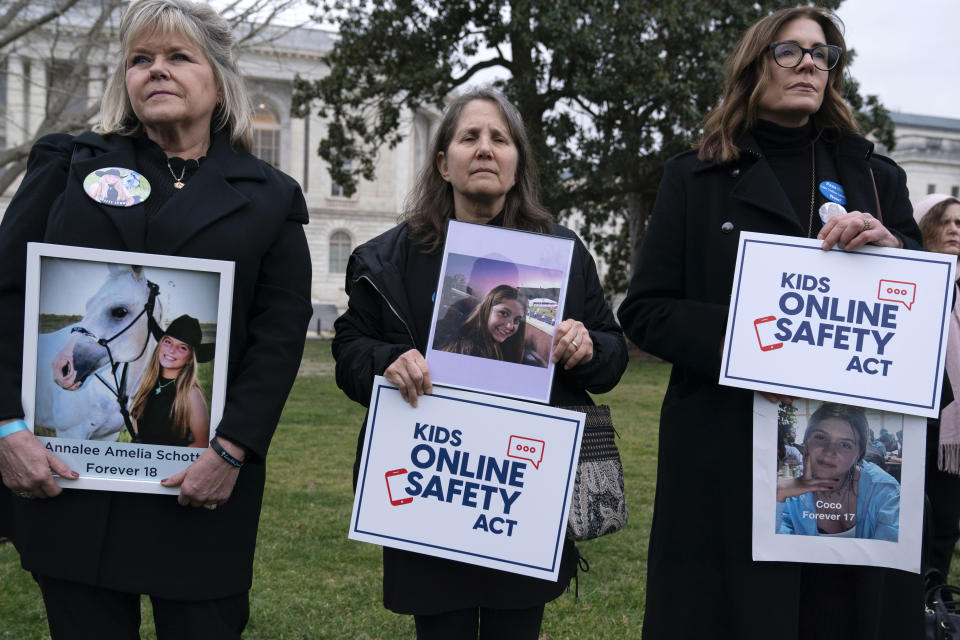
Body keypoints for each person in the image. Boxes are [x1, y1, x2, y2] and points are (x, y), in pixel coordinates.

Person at [0, 0, 312, 637]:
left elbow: (277, 340)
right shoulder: (66, 166)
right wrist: (6, 426)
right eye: (140, 59)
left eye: (177, 57)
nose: (155, 71)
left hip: (199, 487)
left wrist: (232, 451)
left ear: (218, 78)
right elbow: (5, 294)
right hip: (73, 493)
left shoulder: (271, 198)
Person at [617, 7, 923, 639]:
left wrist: (895, 255)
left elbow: (923, 315)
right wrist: (763, 344)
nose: (810, 62)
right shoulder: (692, 176)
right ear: (754, 67)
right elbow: (645, 311)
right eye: (791, 51)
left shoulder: (876, 178)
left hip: (838, 447)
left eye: (823, 54)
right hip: (723, 455)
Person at [332, 86, 627, 640]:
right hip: (432, 480)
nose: (485, 149)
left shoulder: (560, 254)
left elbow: (611, 356)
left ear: (517, 165)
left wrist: (588, 348)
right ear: (443, 163)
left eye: (500, 139)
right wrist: (386, 360)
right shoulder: (384, 259)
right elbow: (349, 350)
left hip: (523, 488)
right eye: (470, 137)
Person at [914, 193, 960, 577]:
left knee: (946, 523)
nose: (954, 230)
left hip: (953, 434)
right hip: (914, 424)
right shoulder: (907, 278)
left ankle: (935, 608)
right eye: (944, 221)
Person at [776, 404, 899, 540]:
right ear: (806, 441)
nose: (829, 452)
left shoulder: (884, 491)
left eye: (845, 445)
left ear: (859, 454)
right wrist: (779, 494)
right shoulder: (790, 493)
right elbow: (770, 548)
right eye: (821, 437)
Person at [130, 314, 213, 447]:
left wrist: (163, 463)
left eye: (182, 347)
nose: (172, 350)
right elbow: (138, 432)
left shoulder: (191, 394)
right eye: (168, 341)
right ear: (160, 344)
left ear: (191, 358)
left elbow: (202, 443)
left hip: (171, 466)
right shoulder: (148, 384)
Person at [438, 284, 526, 363]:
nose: (510, 326)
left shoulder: (493, 345)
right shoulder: (471, 351)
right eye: (503, 313)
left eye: (517, 320)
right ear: (486, 309)